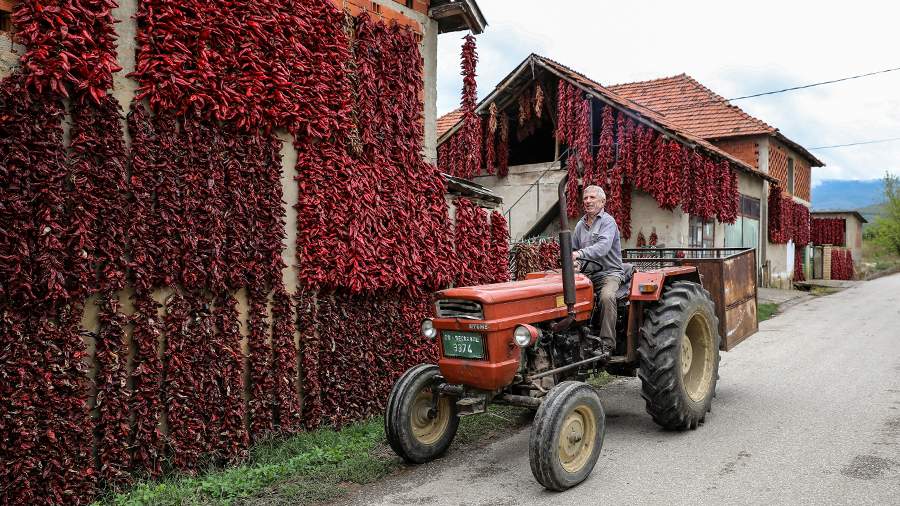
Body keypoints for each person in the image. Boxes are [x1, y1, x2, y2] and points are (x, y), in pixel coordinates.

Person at [571, 185, 624, 353]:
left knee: (607, 297)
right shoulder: (580, 225)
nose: (588, 201)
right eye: (585, 198)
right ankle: (574, 340)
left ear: (603, 201)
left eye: (592, 198)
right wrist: (574, 261)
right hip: (586, 275)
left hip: (609, 273)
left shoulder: (608, 222)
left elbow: (602, 248)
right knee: (565, 296)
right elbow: (572, 250)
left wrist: (579, 254)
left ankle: (607, 344)